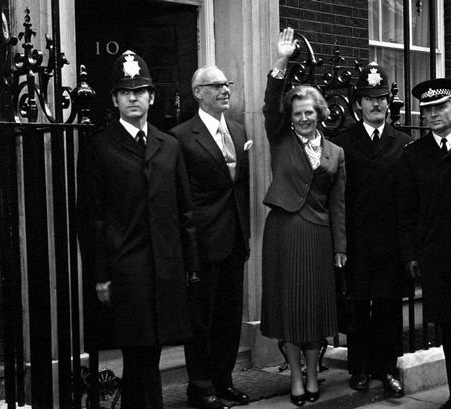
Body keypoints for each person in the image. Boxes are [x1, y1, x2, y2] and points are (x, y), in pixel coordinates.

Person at [77, 50, 200, 409]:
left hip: (167, 269)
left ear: (152, 97)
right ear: (115, 99)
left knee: (150, 354)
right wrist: (100, 275)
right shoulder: (99, 146)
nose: (133, 98)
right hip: (126, 271)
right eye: (125, 92)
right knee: (138, 353)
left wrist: (190, 265)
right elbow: (92, 219)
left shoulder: (169, 145)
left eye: (140, 91)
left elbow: (185, 211)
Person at [260, 27, 347, 407]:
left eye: (309, 112)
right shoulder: (280, 138)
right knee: (291, 311)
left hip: (318, 235)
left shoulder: (336, 152)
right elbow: (270, 104)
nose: (304, 118)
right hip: (284, 232)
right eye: (297, 114)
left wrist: (340, 247)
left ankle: (313, 374)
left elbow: (338, 203)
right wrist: (281, 61)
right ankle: (296, 378)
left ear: (320, 113)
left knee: (314, 311)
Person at [169, 65, 251, 409]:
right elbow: (180, 196)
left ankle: (223, 381)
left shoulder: (238, 130)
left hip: (235, 240)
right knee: (201, 320)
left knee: (229, 318)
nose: (224, 90)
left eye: (226, 84)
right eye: (215, 85)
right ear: (198, 93)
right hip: (202, 243)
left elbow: (240, 188)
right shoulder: (181, 136)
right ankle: (201, 387)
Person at [330, 62, 410, 398]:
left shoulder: (404, 143)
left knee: (389, 308)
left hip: (392, 242)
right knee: (359, 307)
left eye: (381, 97)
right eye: (369, 98)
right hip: (357, 241)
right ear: (357, 104)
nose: (376, 103)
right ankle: (360, 368)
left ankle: (387, 368)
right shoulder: (342, 143)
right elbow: (337, 196)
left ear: (388, 102)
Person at [398, 78, 451, 409]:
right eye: (428, 109)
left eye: (441, 106)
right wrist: (411, 254)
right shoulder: (414, 154)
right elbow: (407, 210)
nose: (434, 114)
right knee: (450, 330)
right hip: (436, 256)